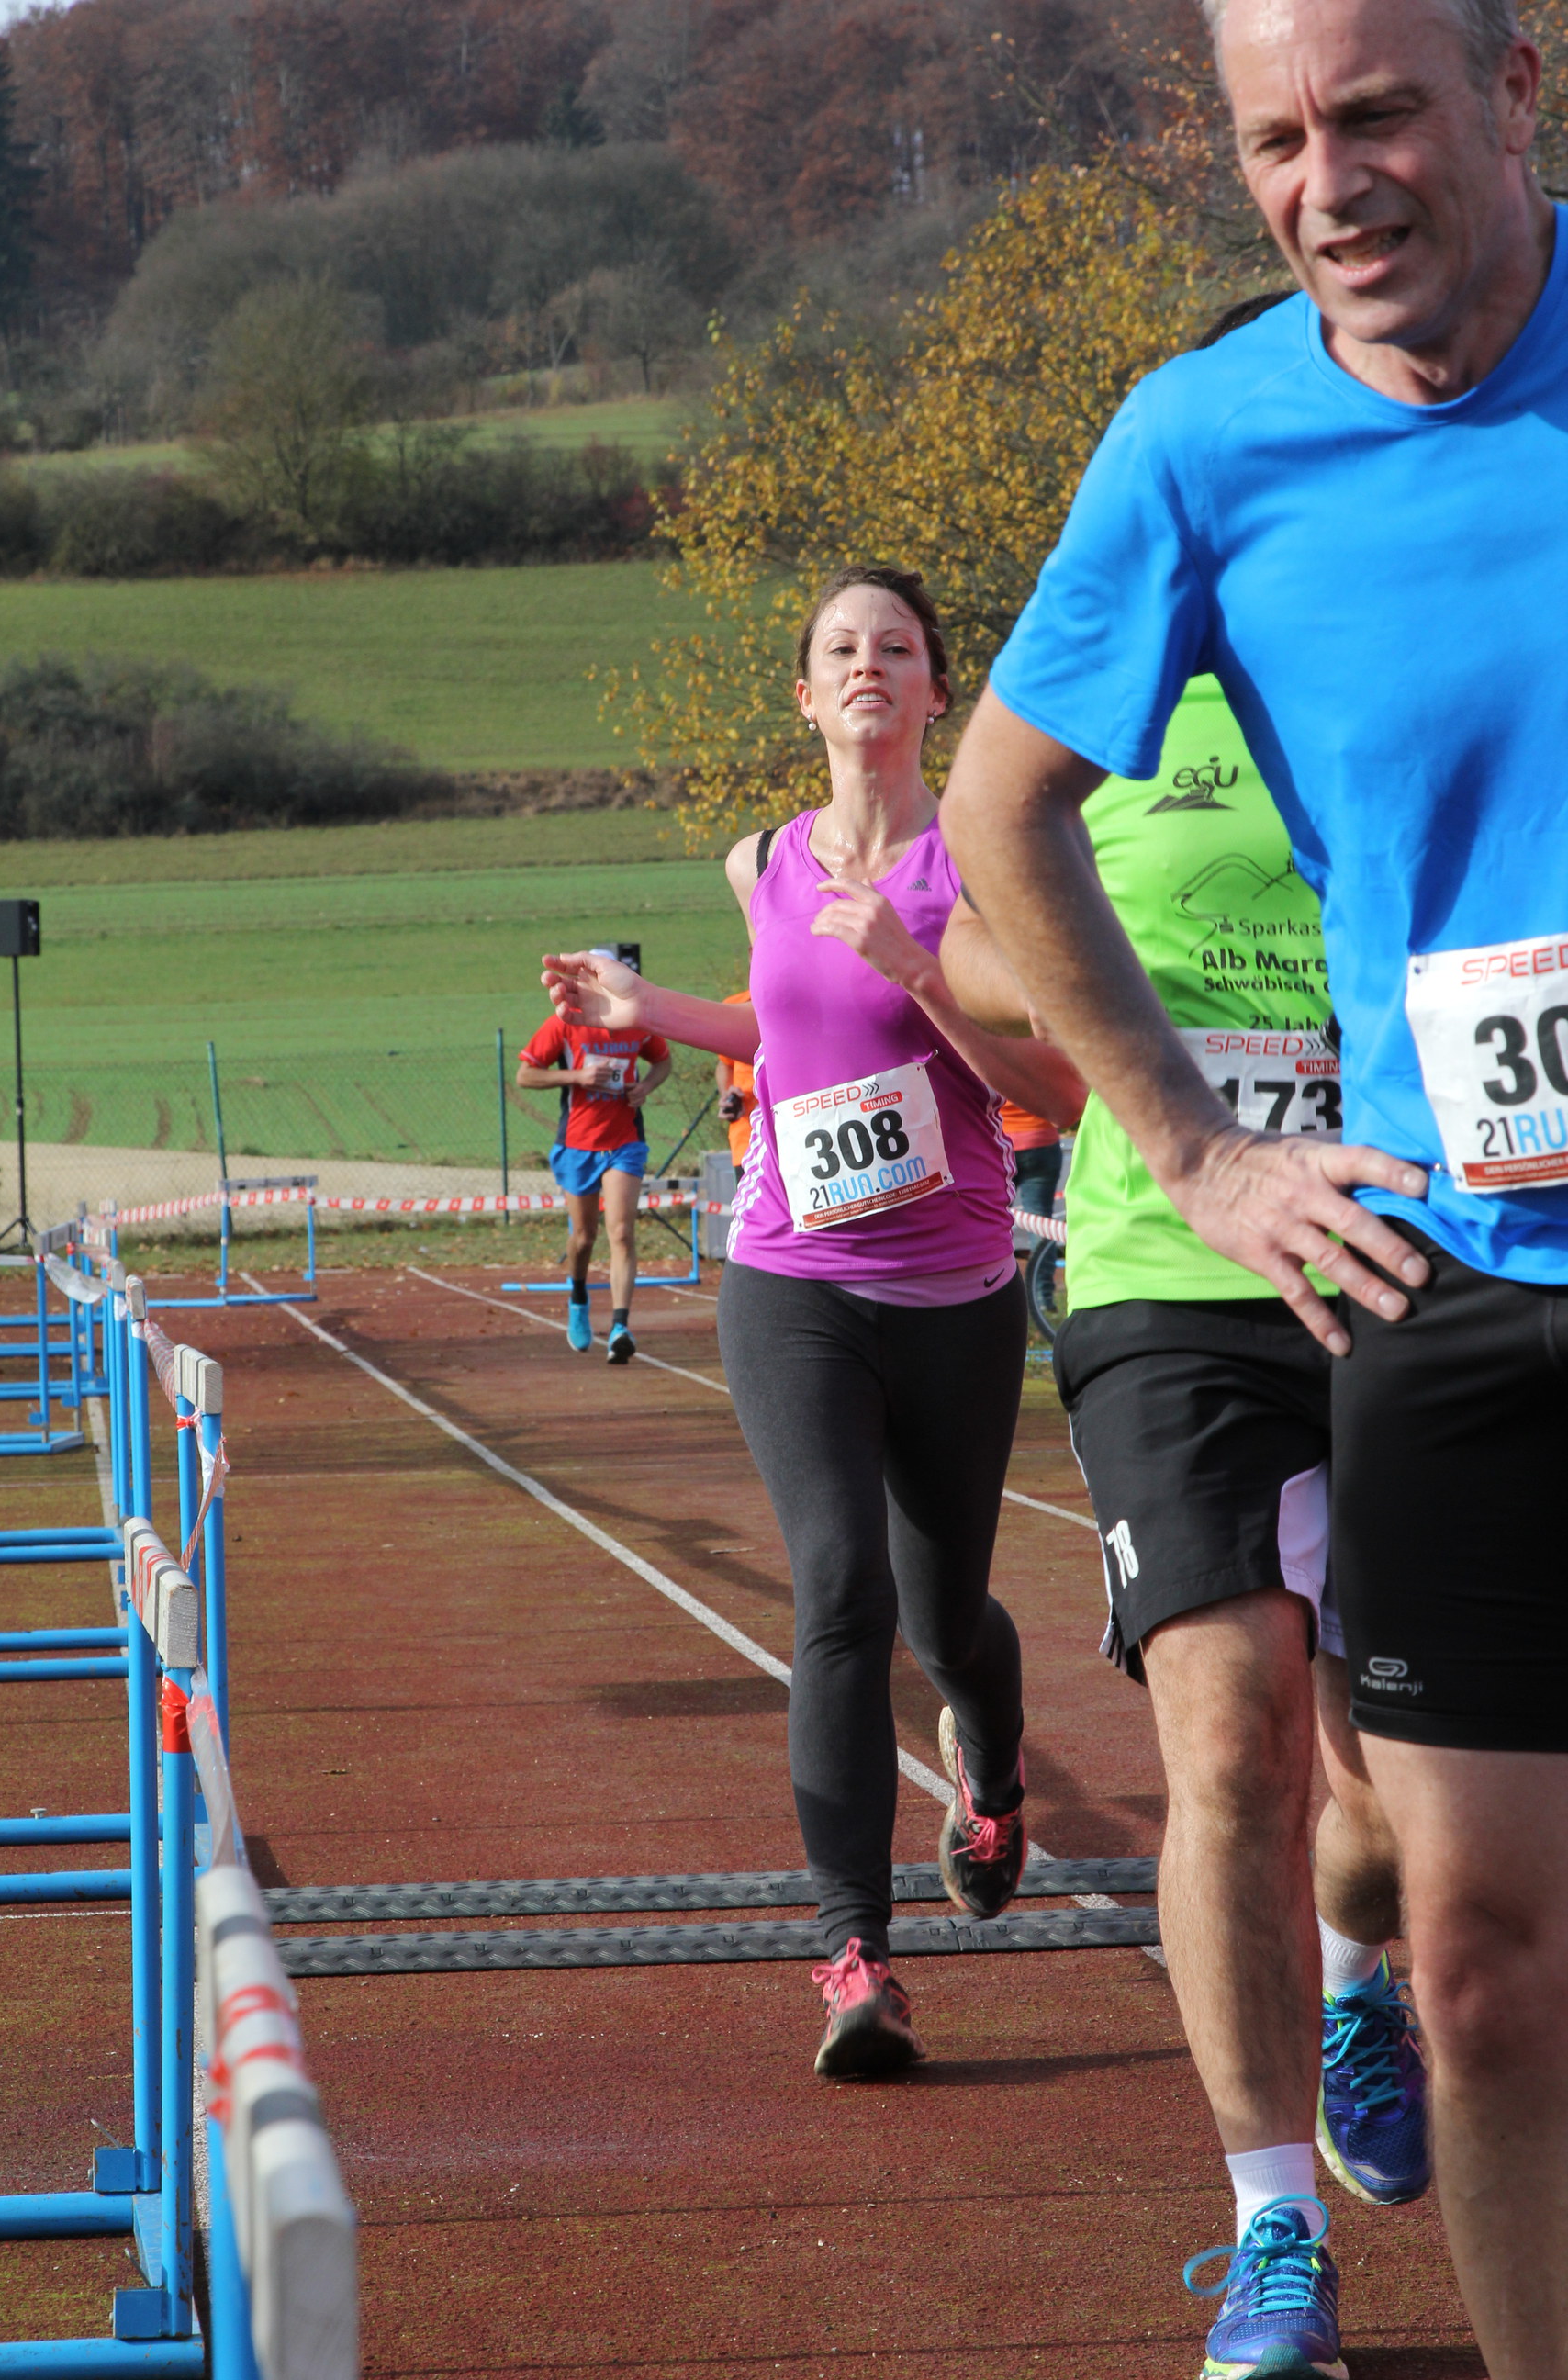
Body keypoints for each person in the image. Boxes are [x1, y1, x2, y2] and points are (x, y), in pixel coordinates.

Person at [938, 1, 1568, 2372]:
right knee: (1484, 1967)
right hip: (1452, 1280)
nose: (1329, 181)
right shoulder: (1204, 444)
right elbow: (998, 811)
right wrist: (1198, 1155)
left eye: (1377, 113)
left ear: (1515, 88)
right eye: (1275, 140)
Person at [542, 565, 1084, 2078]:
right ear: (804, 693)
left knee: (943, 1614)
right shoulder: (759, 863)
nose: (866, 666)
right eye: (839, 647)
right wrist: (649, 1014)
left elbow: (1051, 1086)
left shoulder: (982, 866)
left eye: (895, 647)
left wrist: (921, 973)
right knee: (841, 1588)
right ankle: (856, 1957)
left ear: (935, 692)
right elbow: (785, 1035)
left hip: (956, 1293)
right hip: (792, 1281)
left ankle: (990, 1759)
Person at [944, 665, 1419, 2380]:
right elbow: (973, 924)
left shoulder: (1400, 652)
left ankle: (1354, 1979)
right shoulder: (1115, 687)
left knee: (1388, 1795)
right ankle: (1272, 2230)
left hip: (1405, 1268)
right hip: (1172, 1280)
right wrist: (1077, 983)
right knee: (1230, 1748)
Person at [516, 995, 672, 1364]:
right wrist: (577, 1076)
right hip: (577, 1144)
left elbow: (663, 1061)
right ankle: (578, 1297)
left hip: (625, 1142)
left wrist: (646, 1087)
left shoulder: (636, 1022)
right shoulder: (565, 1023)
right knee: (584, 1237)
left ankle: (620, 1327)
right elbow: (525, 1075)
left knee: (621, 1232)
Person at [1000, 1098, 1063, 1314]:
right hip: (1041, 1140)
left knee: (991, 1221)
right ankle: (1043, 1299)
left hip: (1001, 1143)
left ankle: (991, 1291)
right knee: (1041, 1225)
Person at [716, 989, 758, 1177]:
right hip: (747, 1138)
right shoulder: (733, 1007)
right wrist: (727, 1094)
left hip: (796, 1135)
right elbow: (725, 1064)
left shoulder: (804, 998)